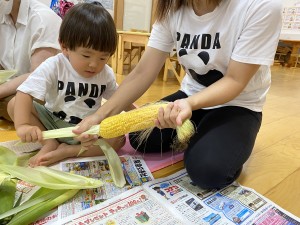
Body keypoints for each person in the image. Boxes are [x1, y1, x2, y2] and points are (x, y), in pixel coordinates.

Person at [73, 0, 282, 189]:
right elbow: (142, 72)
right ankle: (201, 131)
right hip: (189, 95)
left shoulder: (260, 5)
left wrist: (189, 104)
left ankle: (216, 135)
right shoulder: (172, 7)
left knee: (209, 172)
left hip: (238, 103)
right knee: (139, 137)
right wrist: (99, 116)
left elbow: (235, 80)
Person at [7, 2, 135, 167]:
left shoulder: (106, 74)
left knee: (118, 140)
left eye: (103, 58)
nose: (94, 65)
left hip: (87, 131)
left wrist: (139, 113)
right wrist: (23, 125)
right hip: (51, 122)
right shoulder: (54, 65)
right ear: (65, 47)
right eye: (86, 55)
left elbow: (121, 99)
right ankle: (50, 143)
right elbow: (25, 92)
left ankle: (68, 151)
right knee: (14, 104)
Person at [0, 0, 62, 120]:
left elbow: (38, 76)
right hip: (13, 87)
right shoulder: (3, 14)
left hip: (41, 92)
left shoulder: (43, 19)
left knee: (16, 105)